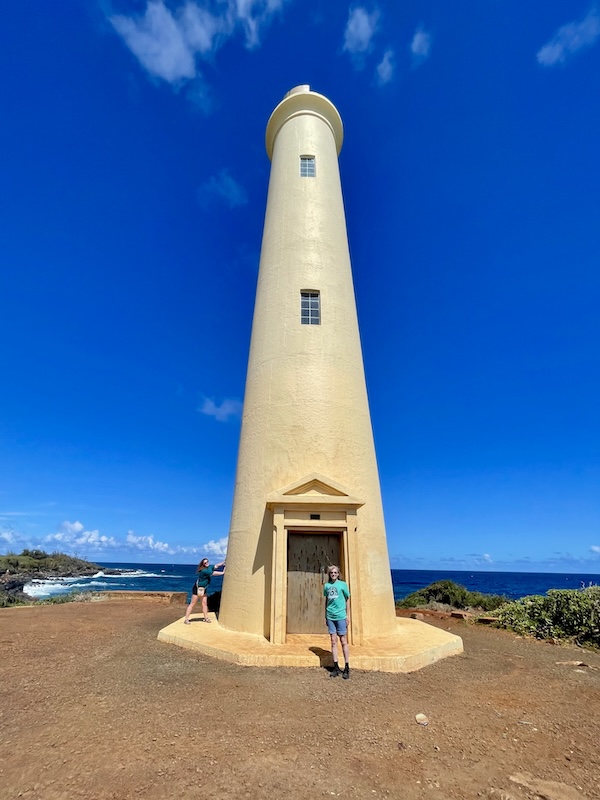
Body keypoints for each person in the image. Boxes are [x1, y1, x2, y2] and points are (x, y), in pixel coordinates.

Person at [323, 565, 350, 679]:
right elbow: (327, 600)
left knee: (343, 641)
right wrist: (325, 615)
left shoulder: (343, 585)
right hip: (330, 616)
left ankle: (347, 667)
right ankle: (336, 667)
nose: (333, 574)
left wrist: (347, 615)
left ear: (338, 574)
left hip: (340, 616)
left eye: (335, 572)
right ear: (329, 574)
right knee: (333, 642)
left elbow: (347, 599)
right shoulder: (327, 586)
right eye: (331, 573)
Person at [184, 558, 226, 624]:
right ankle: (186, 619)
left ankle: (206, 618)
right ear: (203, 564)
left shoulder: (209, 567)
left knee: (204, 603)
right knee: (192, 603)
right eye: (205, 563)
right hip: (197, 588)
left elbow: (216, 566)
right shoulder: (204, 571)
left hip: (204, 588)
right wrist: (223, 572)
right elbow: (213, 573)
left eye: (207, 562)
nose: (207, 563)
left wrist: (223, 562)